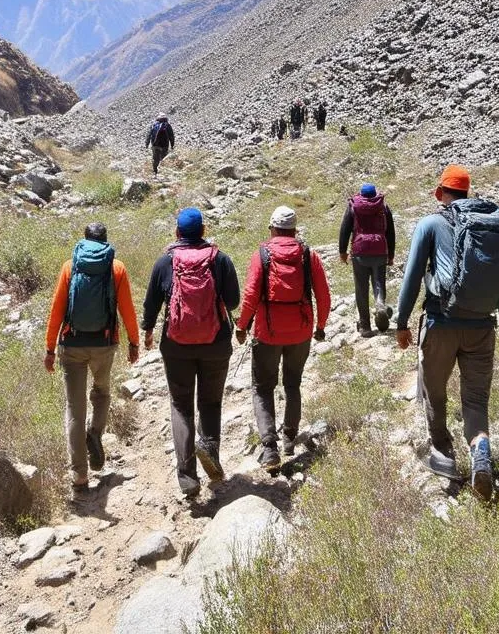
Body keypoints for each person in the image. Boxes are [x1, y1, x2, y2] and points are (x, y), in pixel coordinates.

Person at [394, 165, 499, 501]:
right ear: (467, 193)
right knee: (476, 399)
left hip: (441, 323)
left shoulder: (430, 223)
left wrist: (401, 323)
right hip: (483, 326)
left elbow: (411, 278)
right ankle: (480, 447)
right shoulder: (494, 225)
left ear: (441, 193)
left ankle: (443, 453)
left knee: (435, 389)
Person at [143, 207, 240, 497]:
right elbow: (233, 301)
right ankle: (209, 448)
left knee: (181, 405)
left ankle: (187, 477)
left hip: (176, 346)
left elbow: (151, 303)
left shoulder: (165, 262)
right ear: (204, 230)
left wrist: (147, 331)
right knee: (210, 403)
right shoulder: (220, 260)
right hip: (215, 344)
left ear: (177, 233)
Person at [44, 222, 140, 492]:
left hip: (72, 345)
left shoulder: (69, 267)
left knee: (74, 408)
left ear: (84, 240)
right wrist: (134, 342)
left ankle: (79, 475)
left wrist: (50, 349)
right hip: (104, 343)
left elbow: (56, 311)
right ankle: (95, 434)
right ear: (106, 241)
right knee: (101, 393)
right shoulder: (116, 268)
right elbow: (127, 310)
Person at [236, 205, 331, 472]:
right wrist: (320, 325)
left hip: (267, 332)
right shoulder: (308, 255)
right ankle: (289, 437)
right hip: (301, 331)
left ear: (272, 228)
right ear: (294, 230)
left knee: (263, 388)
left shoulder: (262, 254)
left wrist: (242, 326)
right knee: (293, 383)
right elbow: (323, 296)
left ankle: (269, 449)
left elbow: (251, 294)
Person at [338, 183, 396, 336]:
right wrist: (391, 255)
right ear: (374, 194)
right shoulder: (383, 207)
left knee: (361, 288)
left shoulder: (353, 206)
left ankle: (365, 326)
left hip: (360, 252)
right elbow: (390, 232)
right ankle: (380, 305)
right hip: (380, 251)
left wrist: (342, 252)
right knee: (379, 283)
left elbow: (345, 229)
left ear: (362, 194)